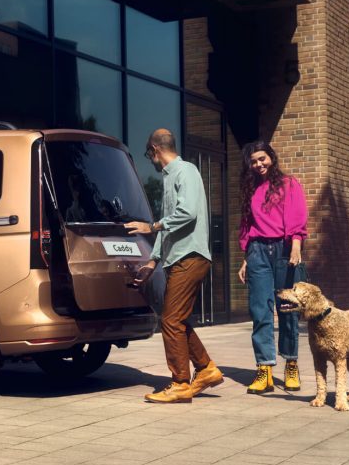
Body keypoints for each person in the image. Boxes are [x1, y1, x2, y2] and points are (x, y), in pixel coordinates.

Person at [126, 129, 223, 403]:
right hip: (177, 257)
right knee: (177, 319)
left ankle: (180, 382)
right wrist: (153, 260)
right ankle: (205, 369)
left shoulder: (185, 171)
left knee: (170, 319)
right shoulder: (170, 179)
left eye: (149, 155)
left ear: (155, 150)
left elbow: (187, 213)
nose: (151, 161)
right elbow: (170, 226)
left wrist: (151, 225)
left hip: (190, 256)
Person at [237, 140, 308, 394]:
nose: (258, 164)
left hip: (284, 249)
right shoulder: (251, 190)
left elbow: (297, 215)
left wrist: (296, 246)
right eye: (254, 161)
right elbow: (247, 225)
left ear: (271, 157)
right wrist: (246, 257)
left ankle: (291, 363)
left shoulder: (289, 184)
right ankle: (264, 370)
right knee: (260, 310)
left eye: (262, 159)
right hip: (257, 252)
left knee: (287, 308)